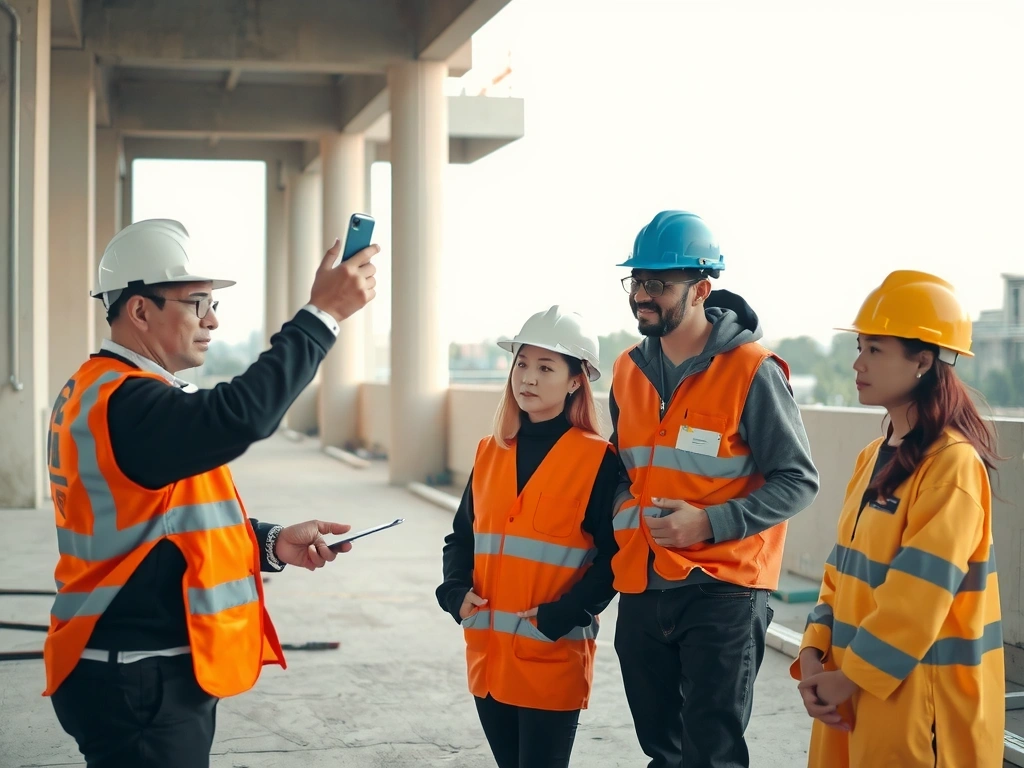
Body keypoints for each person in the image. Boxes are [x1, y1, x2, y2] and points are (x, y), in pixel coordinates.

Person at [44, 218, 378, 768]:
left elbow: (160, 525)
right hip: (137, 679)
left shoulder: (101, 389)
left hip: (121, 666)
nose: (213, 320)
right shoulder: (130, 405)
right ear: (140, 309)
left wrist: (271, 543)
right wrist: (323, 316)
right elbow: (239, 416)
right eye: (196, 303)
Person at [608, 210, 820, 768]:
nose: (641, 296)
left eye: (658, 284)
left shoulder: (752, 370)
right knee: (662, 746)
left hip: (724, 588)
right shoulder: (627, 371)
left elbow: (798, 479)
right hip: (643, 582)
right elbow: (619, 469)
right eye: (636, 282)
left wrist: (707, 522)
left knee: (711, 752)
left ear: (701, 289)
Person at [793, 270, 1005, 767]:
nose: (857, 363)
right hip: (853, 694)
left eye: (874, 350)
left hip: (923, 710)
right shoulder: (873, 456)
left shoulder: (952, 464)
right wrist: (813, 652)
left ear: (923, 361)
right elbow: (840, 573)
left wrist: (846, 678)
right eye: (861, 346)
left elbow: (918, 598)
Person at [435, 306, 621, 768]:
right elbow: (461, 538)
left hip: (551, 655)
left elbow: (615, 556)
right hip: (489, 658)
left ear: (577, 379)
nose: (528, 378)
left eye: (545, 367)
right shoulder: (490, 451)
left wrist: (565, 613)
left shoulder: (599, 460)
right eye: (521, 364)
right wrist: (454, 592)